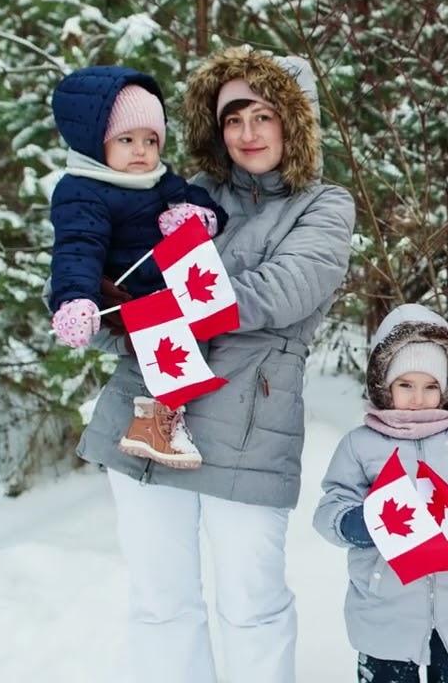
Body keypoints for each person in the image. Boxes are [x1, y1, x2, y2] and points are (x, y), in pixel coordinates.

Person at [75, 47, 356, 683]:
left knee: (250, 606)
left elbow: (283, 290)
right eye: (233, 119)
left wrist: (160, 302)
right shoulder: (183, 196)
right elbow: (114, 278)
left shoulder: (323, 205)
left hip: (249, 426)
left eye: (263, 115)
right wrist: (87, 302)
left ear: (294, 122)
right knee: (161, 606)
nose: (248, 133)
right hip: (149, 413)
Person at [314, 303, 448, 683]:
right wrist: (355, 523)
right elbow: (330, 506)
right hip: (385, 608)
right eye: (405, 385)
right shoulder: (361, 445)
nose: (418, 397)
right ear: (384, 384)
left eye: (430, 387)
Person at [48, 66, 231, 469]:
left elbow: (203, 203)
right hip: (127, 298)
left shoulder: (159, 179)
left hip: (169, 288)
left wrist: (196, 215)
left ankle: (156, 423)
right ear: (95, 144)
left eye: (151, 140)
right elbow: (77, 249)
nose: (141, 151)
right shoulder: (83, 191)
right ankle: (155, 425)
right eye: (126, 139)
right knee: (173, 352)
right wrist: (75, 298)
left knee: (187, 342)